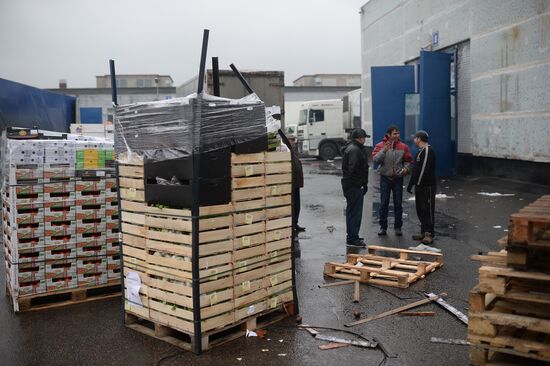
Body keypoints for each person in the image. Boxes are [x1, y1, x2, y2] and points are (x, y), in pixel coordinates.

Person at [372, 125, 413, 236]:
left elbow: (409, 161)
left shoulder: (403, 146)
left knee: (398, 204)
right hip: (385, 178)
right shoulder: (380, 145)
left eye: (398, 133)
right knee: (384, 203)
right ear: (389, 134)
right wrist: (384, 150)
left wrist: (406, 169)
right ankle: (383, 227)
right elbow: (376, 160)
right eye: (395, 133)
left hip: (398, 179)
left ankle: (398, 228)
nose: (397, 135)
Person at [407, 130, 437, 244]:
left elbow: (424, 169)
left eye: (415, 138)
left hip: (427, 186)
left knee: (427, 209)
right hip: (419, 185)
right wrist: (411, 184)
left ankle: (429, 234)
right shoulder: (420, 152)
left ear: (419, 139)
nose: (414, 140)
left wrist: (418, 183)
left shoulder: (428, 151)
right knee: (420, 209)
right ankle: (423, 231)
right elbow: (416, 170)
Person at [341, 128, 370, 247]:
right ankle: (352, 238)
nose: (365, 140)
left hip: (352, 185)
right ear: (360, 138)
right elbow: (352, 170)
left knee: (353, 212)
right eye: (364, 138)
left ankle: (353, 236)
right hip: (354, 187)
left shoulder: (354, 148)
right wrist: (360, 184)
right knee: (354, 213)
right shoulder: (355, 150)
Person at [288, 136, 305, 232]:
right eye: (292, 141)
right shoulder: (287, 152)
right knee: (293, 205)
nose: (294, 143)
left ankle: (295, 223)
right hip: (292, 183)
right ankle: (292, 224)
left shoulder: (294, 152)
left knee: (297, 205)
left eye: (294, 141)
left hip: (297, 183)